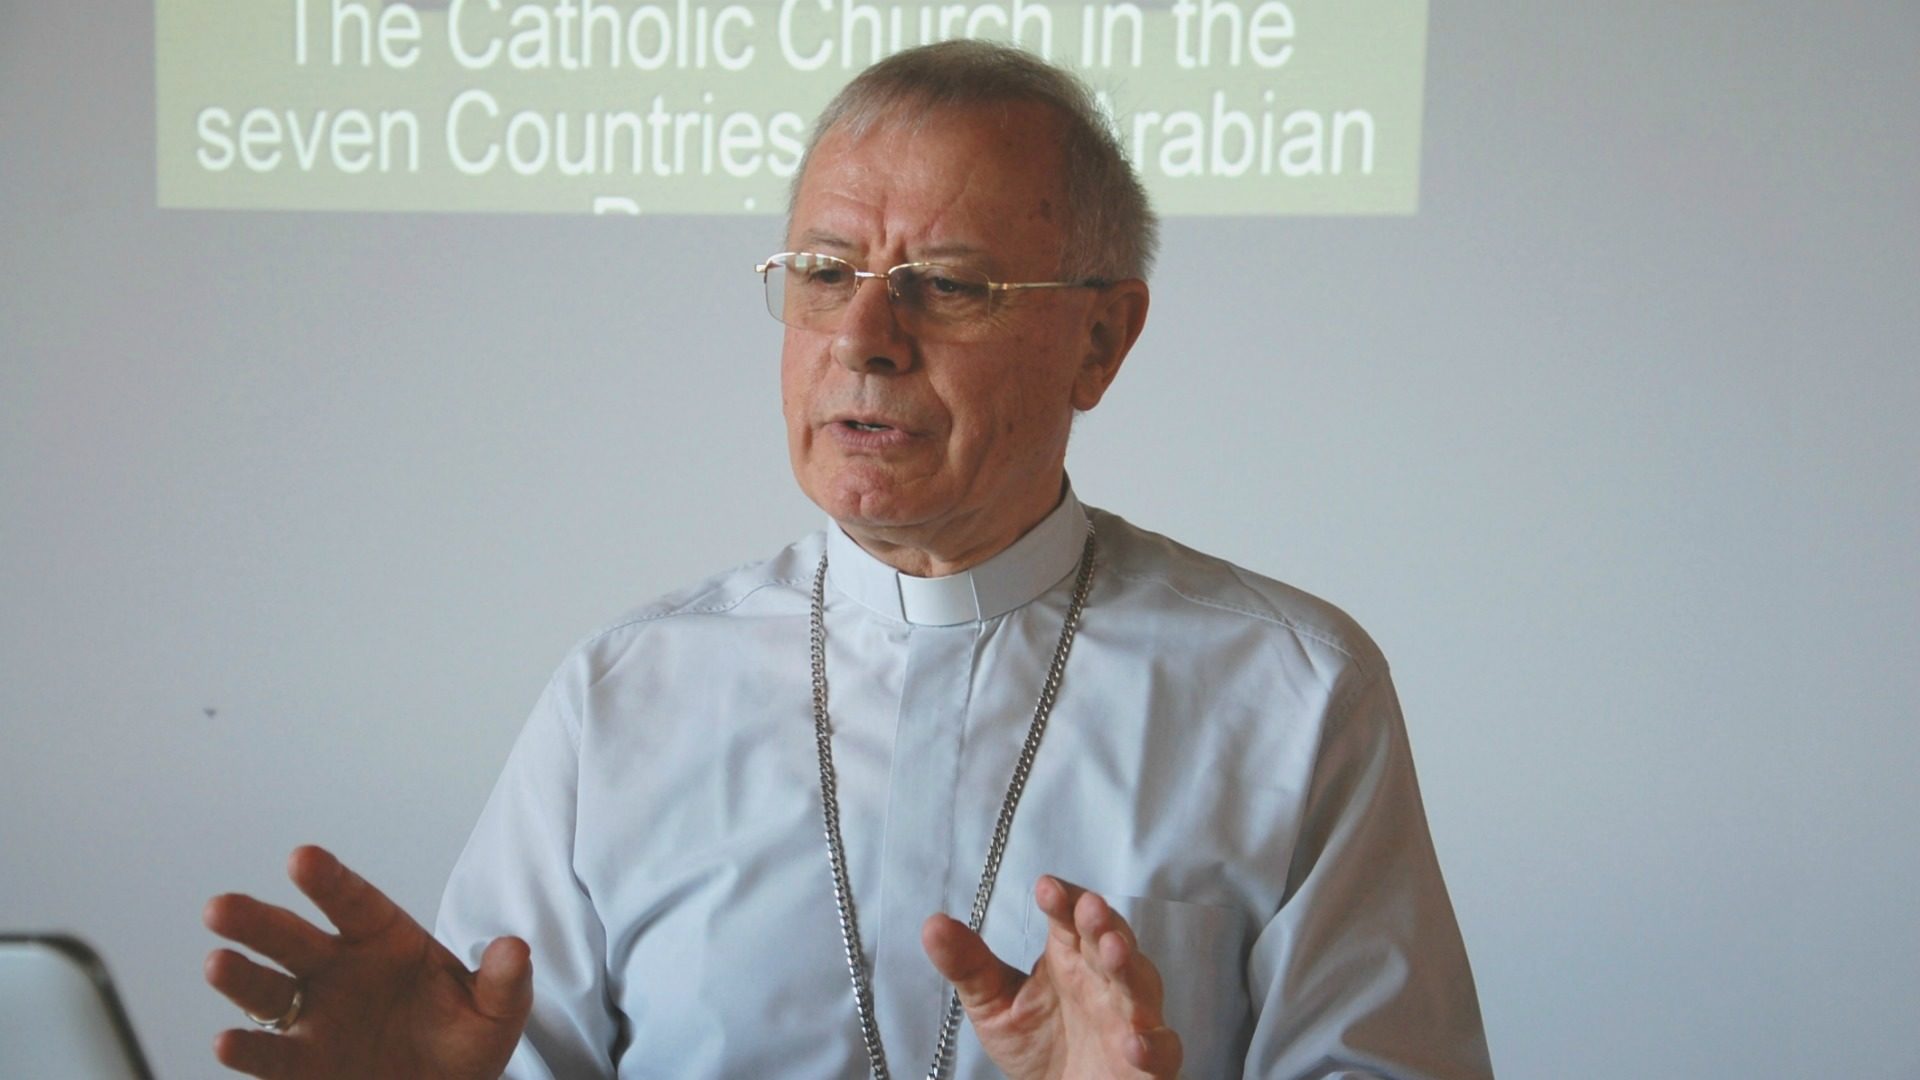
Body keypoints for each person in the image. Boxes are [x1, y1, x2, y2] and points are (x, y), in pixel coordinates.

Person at [202, 39, 1493, 1080]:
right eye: (824, 272)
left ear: (1100, 340)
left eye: (947, 284)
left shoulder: (1291, 690)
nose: (865, 336)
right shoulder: (623, 700)